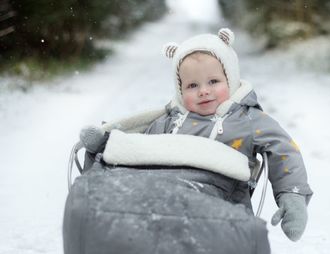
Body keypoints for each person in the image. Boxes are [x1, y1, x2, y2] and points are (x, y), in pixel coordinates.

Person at [79, 28, 313, 242]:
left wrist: (292, 196)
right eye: (192, 86)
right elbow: (138, 151)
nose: (204, 91)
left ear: (230, 79)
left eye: (213, 81)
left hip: (221, 209)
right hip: (165, 206)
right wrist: (107, 143)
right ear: (180, 90)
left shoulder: (248, 120)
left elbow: (283, 149)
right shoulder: (169, 121)